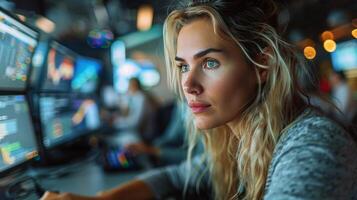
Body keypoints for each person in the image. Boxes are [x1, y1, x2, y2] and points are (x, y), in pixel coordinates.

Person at [41, 0, 357, 199]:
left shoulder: (313, 143)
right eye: (182, 66)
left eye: (209, 63)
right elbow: (174, 176)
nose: (188, 84)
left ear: (263, 65)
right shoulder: (239, 143)